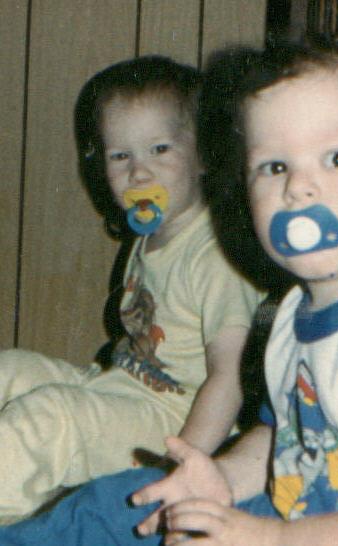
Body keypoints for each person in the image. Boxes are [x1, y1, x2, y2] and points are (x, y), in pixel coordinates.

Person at [0, 37, 338, 546]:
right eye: (275, 166)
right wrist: (222, 478)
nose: (297, 186)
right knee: (118, 504)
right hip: (304, 515)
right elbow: (283, 436)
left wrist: (274, 538)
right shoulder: (295, 311)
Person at [0, 55, 262, 524]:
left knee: (49, 417)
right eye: (121, 156)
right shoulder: (151, 234)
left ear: (203, 156)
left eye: (159, 149)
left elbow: (230, 376)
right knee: (11, 369)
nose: (139, 173)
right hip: (122, 384)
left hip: (172, 419)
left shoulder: (216, 255)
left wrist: (183, 464)